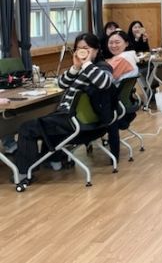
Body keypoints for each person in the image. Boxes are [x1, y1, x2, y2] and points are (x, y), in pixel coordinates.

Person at [14, 33, 113, 183]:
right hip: (74, 118)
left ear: (96, 50)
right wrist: (75, 67)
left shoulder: (102, 67)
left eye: (86, 48)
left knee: (26, 128)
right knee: (46, 119)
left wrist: (86, 64)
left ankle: (23, 173)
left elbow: (104, 83)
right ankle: (54, 161)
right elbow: (61, 84)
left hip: (77, 121)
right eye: (78, 48)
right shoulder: (82, 68)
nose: (82, 52)